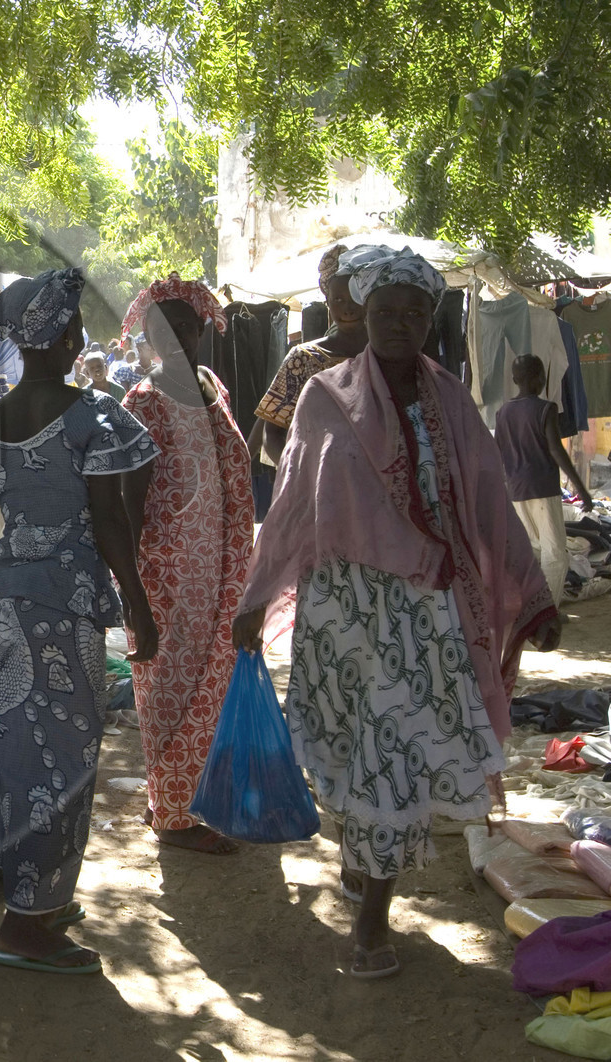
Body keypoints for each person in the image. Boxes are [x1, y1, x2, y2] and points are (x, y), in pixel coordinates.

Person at [233, 248, 563, 980]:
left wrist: (530, 595)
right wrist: (257, 598)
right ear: (361, 312)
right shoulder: (324, 396)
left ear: (430, 319)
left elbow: (486, 503)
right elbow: (291, 507)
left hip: (426, 615)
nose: (400, 324)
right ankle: (366, 870)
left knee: (396, 758)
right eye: (386, 311)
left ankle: (371, 921)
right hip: (348, 613)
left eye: (415, 312)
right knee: (362, 756)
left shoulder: (452, 401)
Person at [0, 267, 160, 973]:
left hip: (1, 601)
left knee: (22, 761)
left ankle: (34, 895)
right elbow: (111, 520)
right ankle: (27, 924)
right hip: (64, 603)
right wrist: (137, 604)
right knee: (65, 762)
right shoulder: (94, 416)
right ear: (72, 337)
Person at [117, 273, 256, 855]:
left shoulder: (210, 389)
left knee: (214, 687)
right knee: (171, 691)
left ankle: (187, 798)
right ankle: (174, 815)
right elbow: (127, 503)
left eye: (186, 326)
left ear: (202, 330)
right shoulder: (143, 404)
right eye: (163, 328)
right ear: (146, 334)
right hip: (169, 577)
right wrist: (134, 598)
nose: (176, 337)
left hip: (223, 571)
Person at [253, 244, 382, 465]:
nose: (347, 308)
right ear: (327, 301)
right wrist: (299, 477)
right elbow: (271, 432)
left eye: (355, 298)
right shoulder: (304, 359)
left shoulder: (387, 357)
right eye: (338, 300)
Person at [496, 353, 594, 604]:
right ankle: (547, 610)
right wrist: (581, 489)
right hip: (542, 487)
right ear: (540, 378)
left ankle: (530, 605)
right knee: (555, 554)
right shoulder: (546, 409)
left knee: (532, 550)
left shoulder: (503, 412)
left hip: (516, 490)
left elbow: (498, 453)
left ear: (515, 379)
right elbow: (556, 450)